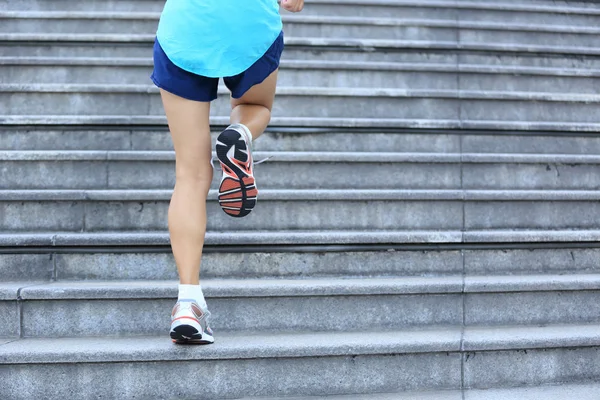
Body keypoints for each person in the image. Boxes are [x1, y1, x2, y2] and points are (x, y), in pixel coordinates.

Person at [150, 0, 304, 344]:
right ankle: (242, 133)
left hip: (186, 27)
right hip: (249, 26)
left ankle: (188, 303)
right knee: (255, 106)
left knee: (190, 175)